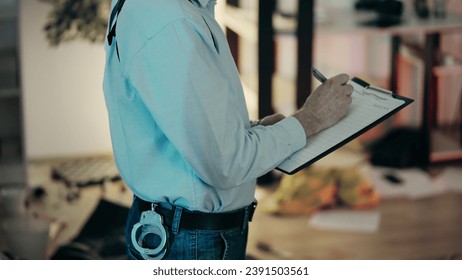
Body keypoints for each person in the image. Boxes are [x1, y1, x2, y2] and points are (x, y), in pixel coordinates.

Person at [102, 0, 352, 260]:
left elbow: (182, 125)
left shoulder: (166, 12)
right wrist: (310, 119)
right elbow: (227, 164)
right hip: (191, 241)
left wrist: (255, 132)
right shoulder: (172, 23)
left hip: (182, 231)